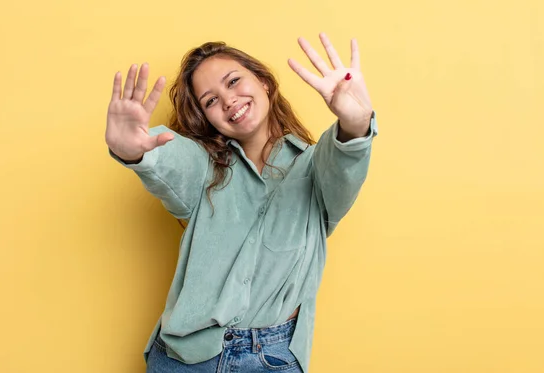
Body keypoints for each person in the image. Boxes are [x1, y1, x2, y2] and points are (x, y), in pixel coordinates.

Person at [105, 33, 378, 373]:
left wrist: (355, 121)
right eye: (210, 101)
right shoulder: (206, 169)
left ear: (263, 81)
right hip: (184, 359)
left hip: (271, 359)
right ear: (205, 118)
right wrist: (133, 150)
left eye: (234, 81)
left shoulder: (315, 168)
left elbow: (344, 162)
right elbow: (170, 158)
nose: (229, 100)